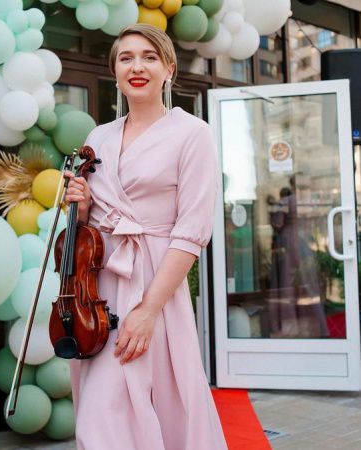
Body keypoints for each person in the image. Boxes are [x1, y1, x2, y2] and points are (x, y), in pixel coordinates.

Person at [64, 23, 227, 450]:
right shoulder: (98, 137)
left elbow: (191, 233)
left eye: (149, 57)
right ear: (115, 71)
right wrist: (81, 206)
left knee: (165, 407)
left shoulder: (193, 133)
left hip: (157, 285)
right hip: (100, 295)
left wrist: (149, 310)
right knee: (100, 420)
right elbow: (89, 227)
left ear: (169, 69)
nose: (137, 66)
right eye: (126, 58)